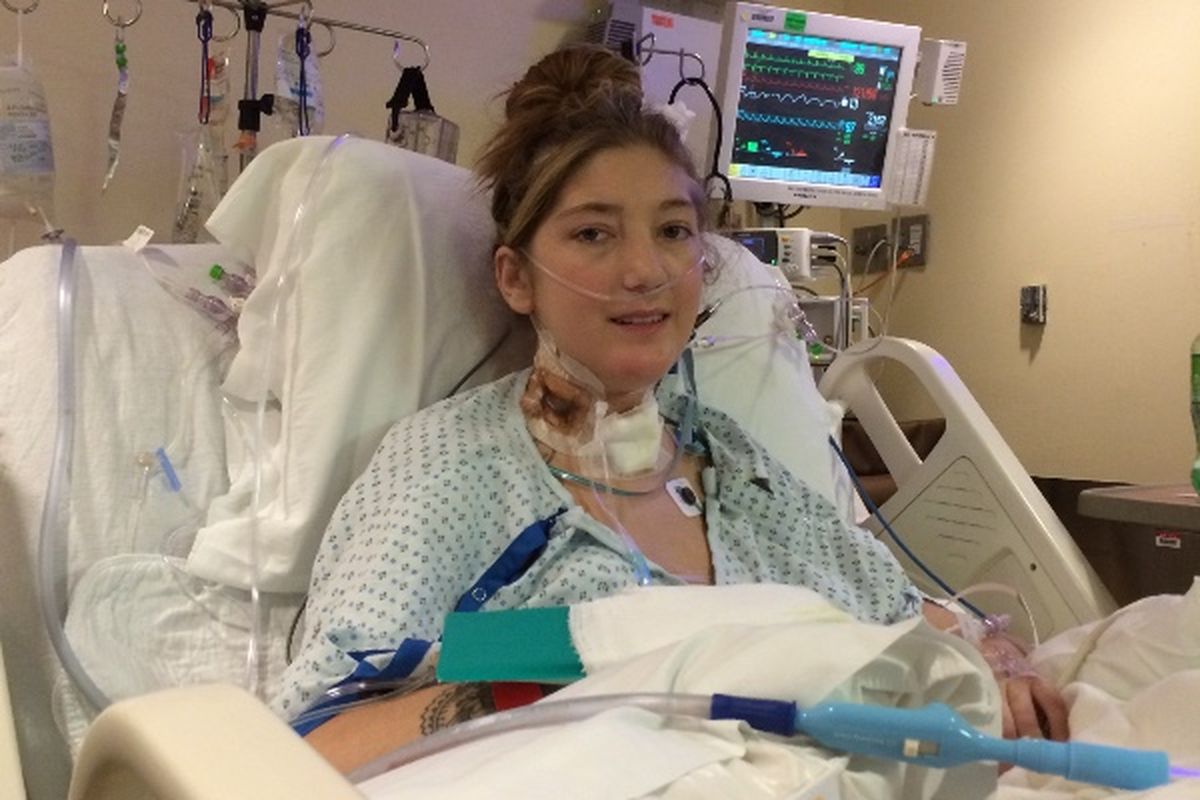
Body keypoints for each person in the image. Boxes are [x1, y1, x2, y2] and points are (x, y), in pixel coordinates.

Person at [274, 44, 1066, 776]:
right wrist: (582, 683)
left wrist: (996, 661)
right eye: (594, 233)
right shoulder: (455, 466)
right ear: (515, 278)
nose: (645, 270)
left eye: (674, 231)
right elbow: (310, 741)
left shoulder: (737, 469)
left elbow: (897, 613)